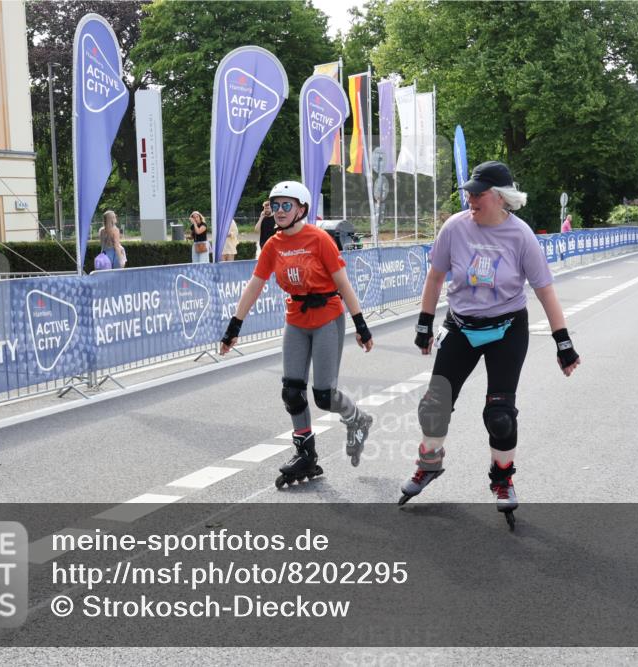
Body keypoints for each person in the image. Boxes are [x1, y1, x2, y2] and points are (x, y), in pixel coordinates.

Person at [399, 161, 581, 529]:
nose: (470, 199)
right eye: (468, 192)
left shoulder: (521, 236)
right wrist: (424, 322)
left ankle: (502, 478)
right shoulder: (455, 228)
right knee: (433, 406)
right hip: (462, 326)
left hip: (507, 329)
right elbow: (435, 276)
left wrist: (563, 343)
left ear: (500, 198)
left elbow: (545, 291)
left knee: (499, 416)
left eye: (477, 193)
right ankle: (429, 465)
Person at [220, 181, 375, 487]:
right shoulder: (273, 245)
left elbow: (344, 285)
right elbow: (254, 285)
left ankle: (357, 418)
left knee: (323, 396)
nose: (278, 211)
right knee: (292, 391)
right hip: (296, 319)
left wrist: (361, 326)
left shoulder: (320, 240)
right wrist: (233, 327)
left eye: (285, 205)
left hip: (327, 317)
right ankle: (306, 453)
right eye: (275, 205)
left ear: (301, 209)